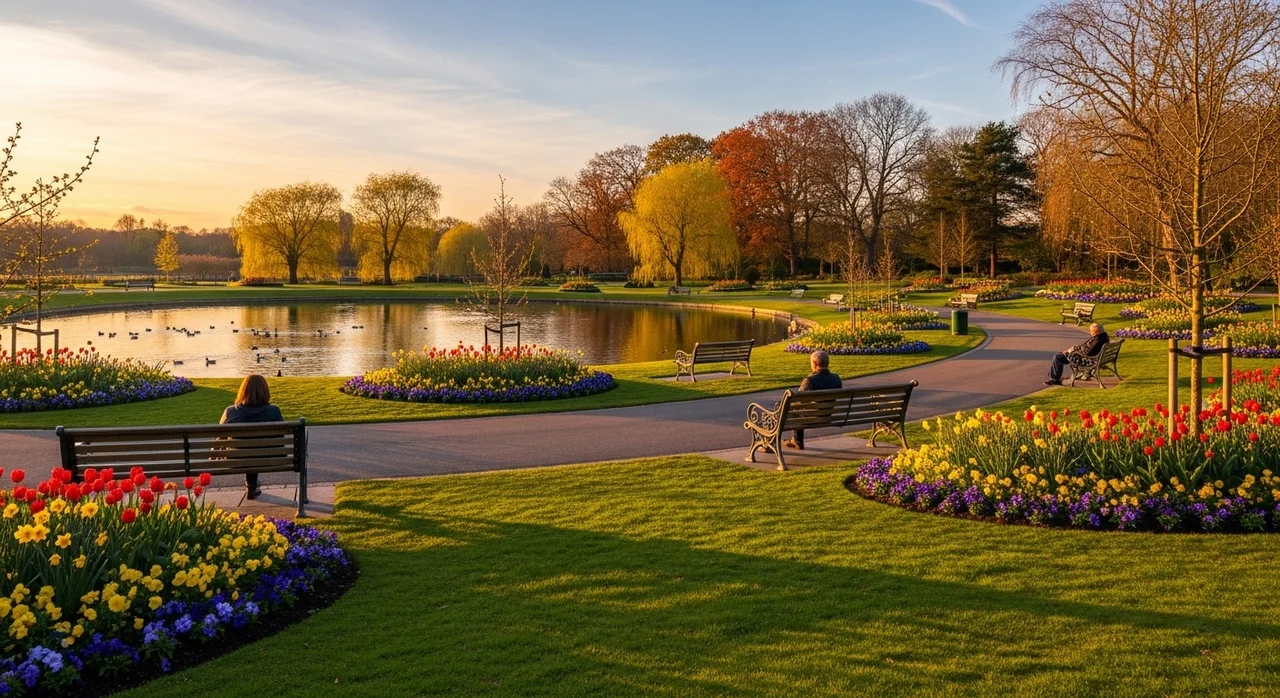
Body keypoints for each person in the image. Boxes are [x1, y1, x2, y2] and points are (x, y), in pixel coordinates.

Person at [219, 374, 285, 499]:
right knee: (256, 450)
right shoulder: (274, 411)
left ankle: (251, 485)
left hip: (236, 459)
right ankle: (252, 485)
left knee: (247, 452)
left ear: (243, 390)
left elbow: (219, 438)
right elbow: (280, 436)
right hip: (270, 458)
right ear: (265, 391)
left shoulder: (231, 412)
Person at [784, 350, 842, 450]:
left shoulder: (809, 381)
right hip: (828, 415)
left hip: (813, 417)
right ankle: (796, 440)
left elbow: (798, 402)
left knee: (794, 408)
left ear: (815, 364)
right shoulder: (836, 379)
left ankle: (797, 440)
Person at [1045, 322, 1109, 386]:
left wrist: (1074, 350)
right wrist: (1077, 347)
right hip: (1094, 358)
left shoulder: (1097, 339)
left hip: (1086, 360)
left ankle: (1055, 379)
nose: (1091, 333)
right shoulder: (1104, 336)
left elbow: (1087, 352)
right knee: (1061, 355)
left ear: (1096, 331)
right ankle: (1054, 377)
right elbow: (1088, 349)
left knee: (1058, 357)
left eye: (1092, 331)